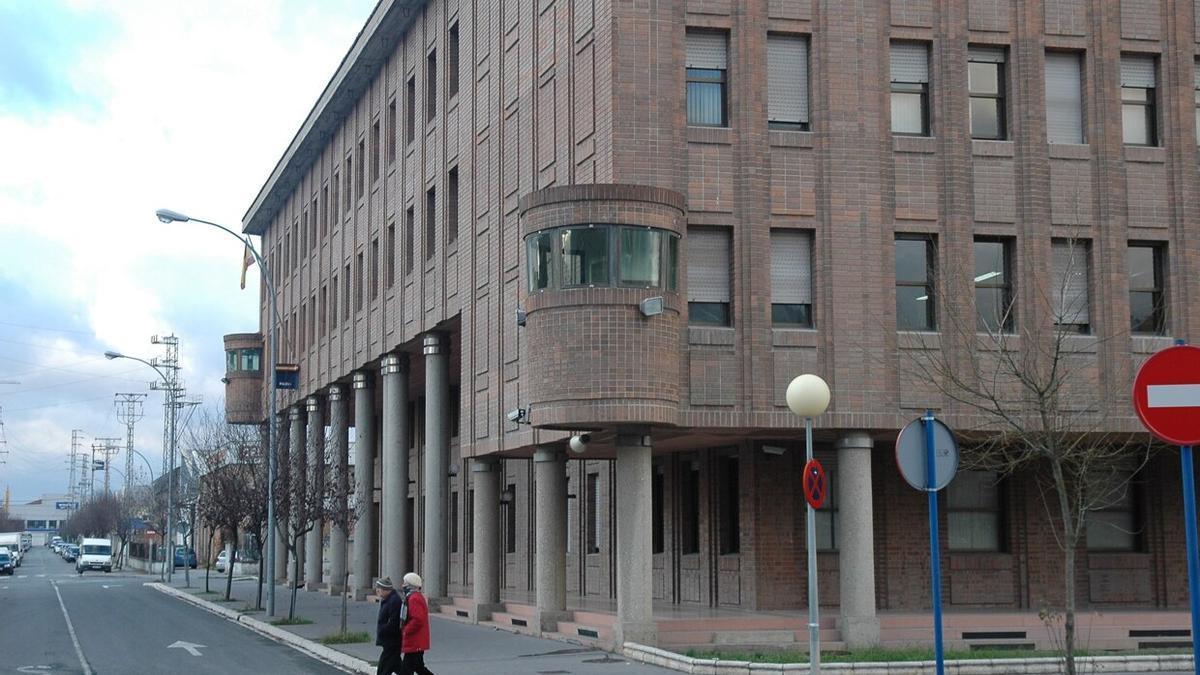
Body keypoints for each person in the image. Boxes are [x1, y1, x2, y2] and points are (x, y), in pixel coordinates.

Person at [399, 572, 434, 675]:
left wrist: (406, 630)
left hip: (415, 640)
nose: (402, 585)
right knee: (419, 667)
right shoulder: (413, 597)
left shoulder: (414, 598)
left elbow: (417, 619)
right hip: (416, 641)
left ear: (410, 584)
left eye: (405, 583)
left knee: (406, 670)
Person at [374, 577, 404, 675]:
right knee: (397, 667)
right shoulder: (387, 600)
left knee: (383, 670)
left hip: (392, 641)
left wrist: (383, 630)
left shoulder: (394, 601)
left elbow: (394, 622)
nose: (377, 590)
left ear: (386, 589)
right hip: (389, 642)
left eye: (379, 588)